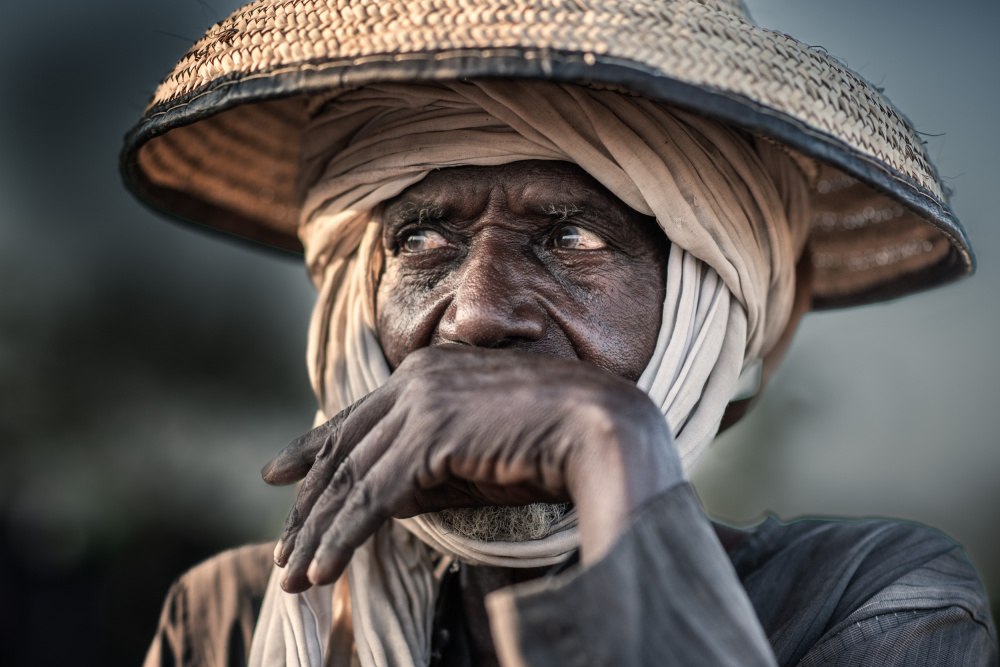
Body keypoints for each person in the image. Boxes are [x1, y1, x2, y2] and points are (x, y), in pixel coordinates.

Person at [122, 1, 996, 665]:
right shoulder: (225, 621)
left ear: (705, 321)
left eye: (571, 239)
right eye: (423, 239)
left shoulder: (874, 600)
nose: (477, 314)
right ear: (357, 301)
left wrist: (608, 440)